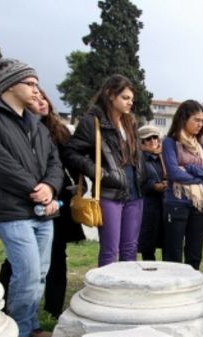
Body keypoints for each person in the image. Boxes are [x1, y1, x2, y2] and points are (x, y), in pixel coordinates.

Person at [0, 58, 64, 337]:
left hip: (41, 210)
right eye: (31, 84)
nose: (38, 91)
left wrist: (49, 187)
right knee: (26, 270)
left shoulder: (36, 123)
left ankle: (29, 325)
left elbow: (54, 162)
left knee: (40, 272)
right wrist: (34, 188)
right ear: (11, 84)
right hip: (11, 208)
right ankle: (15, 334)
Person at [0, 89, 86, 319]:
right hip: (31, 194)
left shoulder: (60, 129)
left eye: (43, 97)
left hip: (60, 196)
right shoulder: (18, 130)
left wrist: (80, 184)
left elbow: (70, 161)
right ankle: (3, 302)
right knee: (21, 255)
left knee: (57, 253)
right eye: (35, 100)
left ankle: (54, 308)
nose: (42, 102)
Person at [64, 75, 145, 267]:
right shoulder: (92, 121)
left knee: (130, 248)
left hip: (135, 192)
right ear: (110, 94)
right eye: (125, 98)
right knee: (110, 250)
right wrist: (98, 172)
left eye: (131, 99)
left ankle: (127, 290)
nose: (130, 102)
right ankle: (106, 295)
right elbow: (71, 153)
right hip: (109, 193)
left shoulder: (129, 122)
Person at [161, 100, 203, 269]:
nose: (200, 125)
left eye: (202, 121)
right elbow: (173, 172)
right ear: (183, 118)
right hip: (176, 203)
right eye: (196, 120)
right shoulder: (170, 143)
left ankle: (192, 286)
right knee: (173, 251)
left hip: (198, 204)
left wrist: (189, 169)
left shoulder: (201, 146)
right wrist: (201, 175)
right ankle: (171, 288)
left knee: (195, 251)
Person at [137, 125, 166, 261]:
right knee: (148, 246)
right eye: (149, 138)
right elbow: (138, 180)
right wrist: (154, 186)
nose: (153, 141)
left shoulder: (163, 157)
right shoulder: (138, 158)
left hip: (164, 204)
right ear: (141, 141)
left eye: (155, 137)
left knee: (167, 243)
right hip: (147, 205)